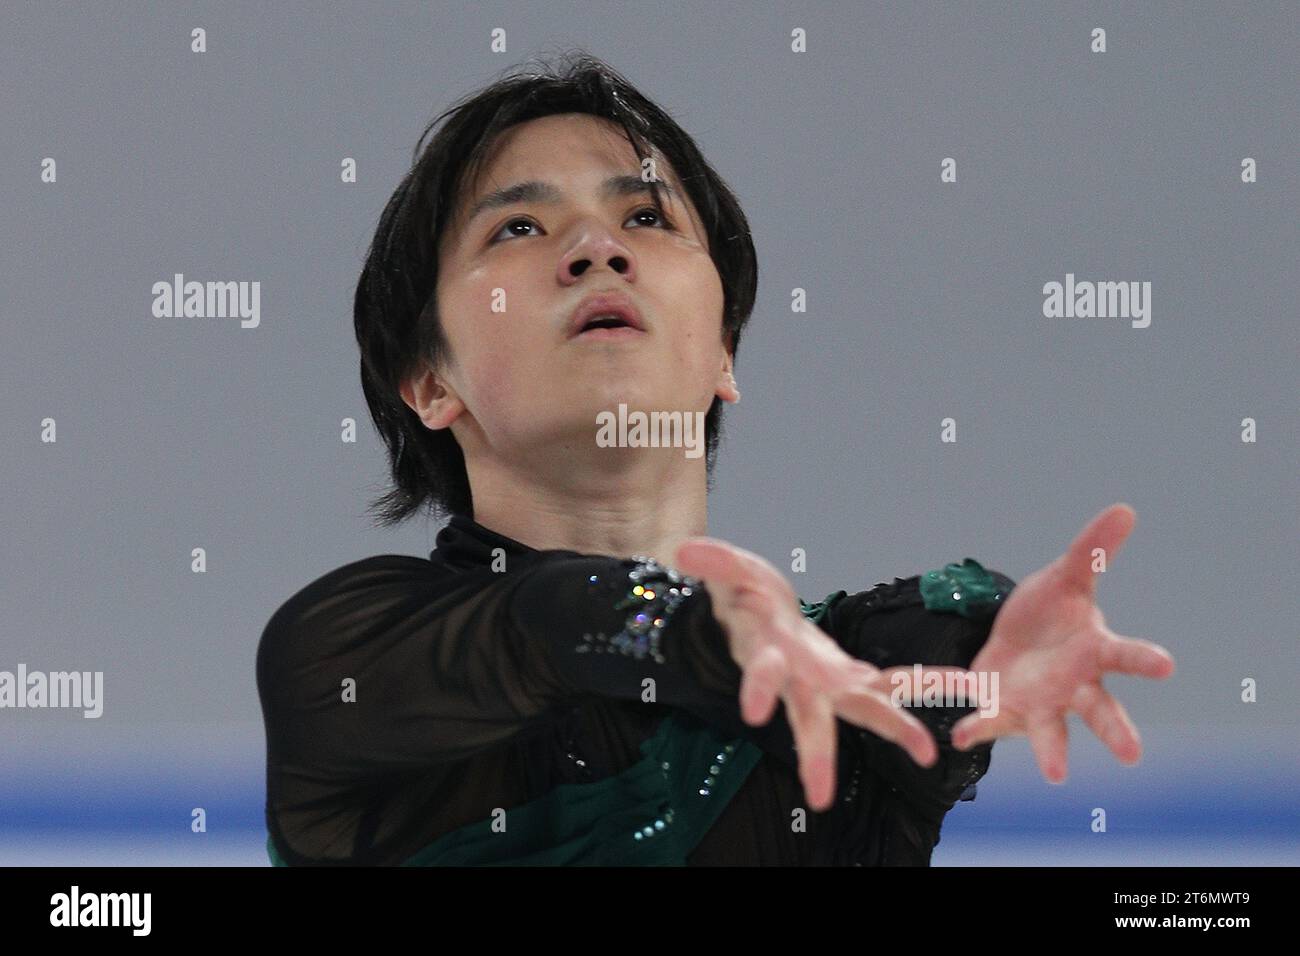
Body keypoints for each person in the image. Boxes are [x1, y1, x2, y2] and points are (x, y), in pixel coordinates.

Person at [256, 52, 1175, 866]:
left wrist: (986, 640)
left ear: (723, 352)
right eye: (519, 228)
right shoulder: (346, 650)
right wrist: (699, 628)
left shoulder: (830, 701)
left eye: (646, 216)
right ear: (427, 383)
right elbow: (536, 625)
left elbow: (908, 646)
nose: (597, 249)